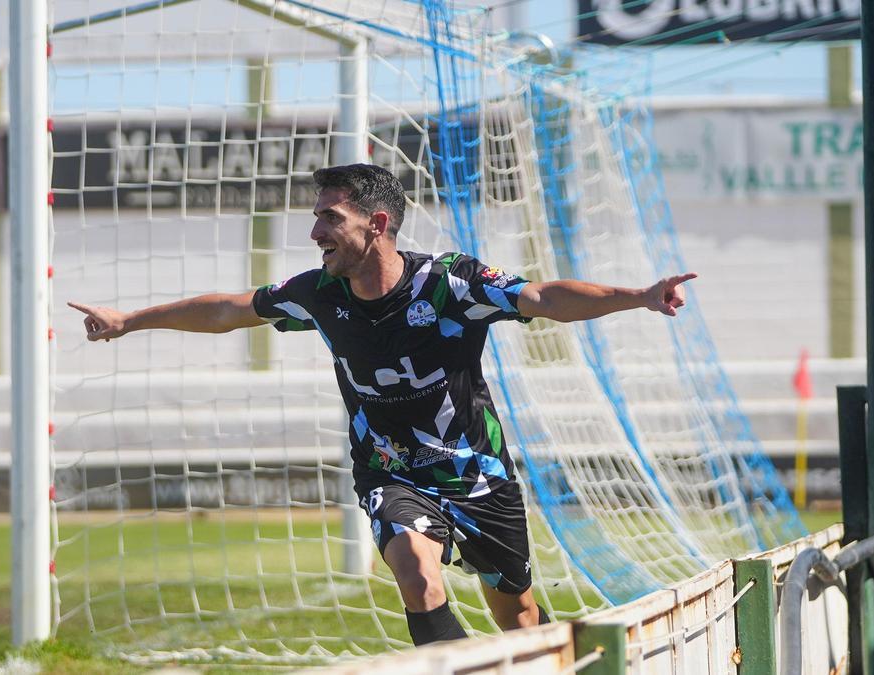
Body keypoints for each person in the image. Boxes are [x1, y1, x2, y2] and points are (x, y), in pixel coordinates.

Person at [68, 164, 696, 645]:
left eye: (330, 218)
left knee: (521, 616)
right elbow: (227, 310)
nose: (316, 233)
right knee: (418, 577)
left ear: (377, 224)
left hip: (479, 477)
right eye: (317, 218)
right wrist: (131, 319)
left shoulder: (450, 282)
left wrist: (638, 296)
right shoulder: (317, 293)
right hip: (389, 473)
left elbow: (545, 298)